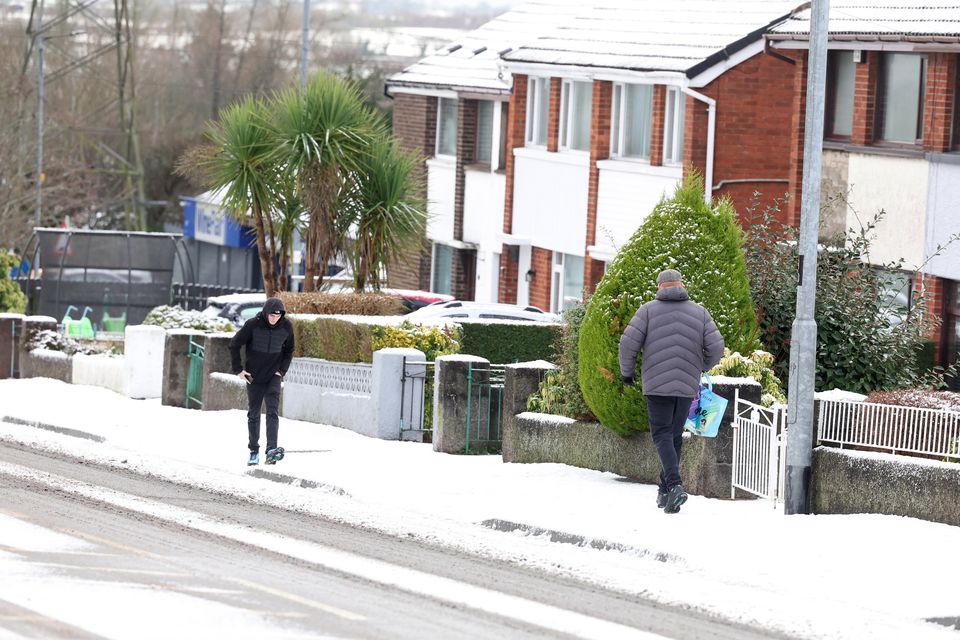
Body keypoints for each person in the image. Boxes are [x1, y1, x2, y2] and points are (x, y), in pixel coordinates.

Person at [618, 269, 724, 514]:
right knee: (674, 435)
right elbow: (717, 346)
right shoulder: (700, 313)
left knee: (662, 434)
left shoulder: (647, 311)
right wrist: (701, 366)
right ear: (682, 285)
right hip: (686, 384)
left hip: (656, 384)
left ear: (659, 288)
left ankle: (675, 485)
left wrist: (627, 373)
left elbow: (627, 344)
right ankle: (665, 492)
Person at [229, 297, 295, 466]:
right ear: (265, 313)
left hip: (274, 375)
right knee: (254, 413)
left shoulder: (286, 326)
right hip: (254, 376)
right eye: (271, 315)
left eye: (278, 316)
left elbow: (289, 350)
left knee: (272, 412)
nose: (274, 319)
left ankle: (271, 450)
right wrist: (238, 369)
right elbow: (234, 344)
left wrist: (282, 371)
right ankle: (253, 450)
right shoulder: (253, 324)